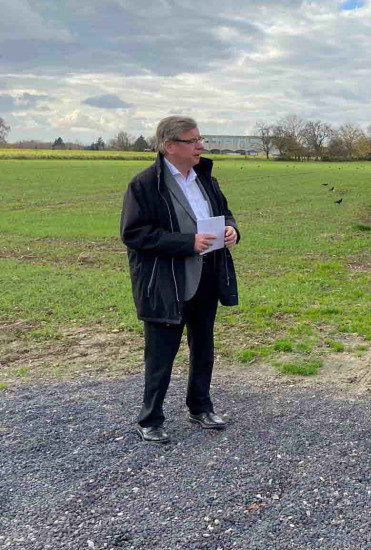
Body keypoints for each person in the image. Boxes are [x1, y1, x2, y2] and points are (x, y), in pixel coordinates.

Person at [120, 116, 240, 444]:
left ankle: (200, 407)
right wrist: (187, 243)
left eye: (200, 139)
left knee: (203, 347)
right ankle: (150, 419)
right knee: (161, 354)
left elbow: (225, 212)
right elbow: (134, 233)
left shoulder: (205, 178)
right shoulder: (145, 185)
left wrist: (231, 229)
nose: (201, 146)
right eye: (193, 141)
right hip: (166, 284)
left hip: (207, 278)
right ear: (170, 146)